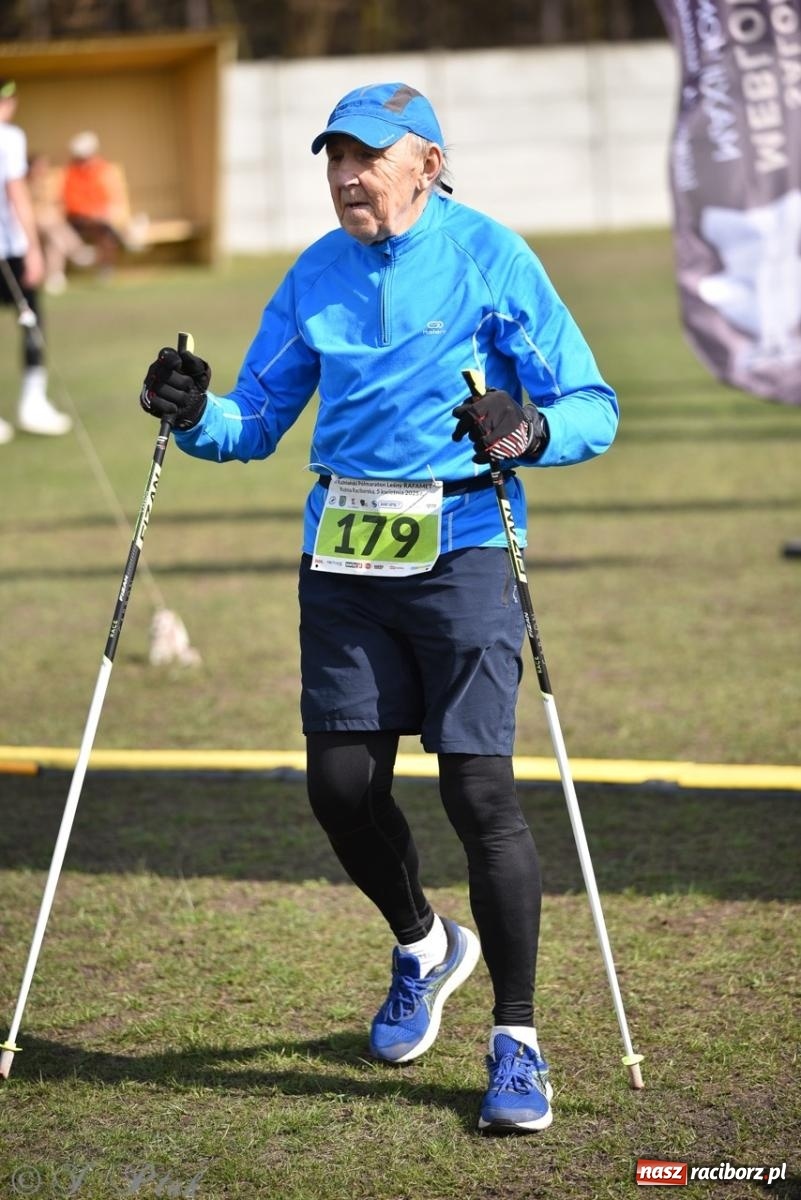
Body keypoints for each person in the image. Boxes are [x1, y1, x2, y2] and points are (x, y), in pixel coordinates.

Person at [139, 82, 619, 1135]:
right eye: (334, 158)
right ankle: (423, 947)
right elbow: (253, 421)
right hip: (345, 557)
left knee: (478, 794)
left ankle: (517, 1041)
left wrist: (530, 431)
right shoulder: (316, 272)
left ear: (427, 166)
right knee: (340, 788)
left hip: (467, 547)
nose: (347, 177)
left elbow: (592, 405)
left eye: (367, 157)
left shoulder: (491, 256)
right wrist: (193, 409)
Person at [0, 79, 72, 442]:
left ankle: (33, 404)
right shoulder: (10, 137)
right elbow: (16, 193)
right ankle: (32, 403)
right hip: (9, 250)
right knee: (31, 321)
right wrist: (32, 249)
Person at [61, 130, 131, 276]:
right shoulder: (72, 173)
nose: (85, 161)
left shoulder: (104, 170)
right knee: (103, 228)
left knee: (104, 229)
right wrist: (90, 213)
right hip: (79, 217)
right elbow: (71, 201)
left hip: (101, 217)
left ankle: (106, 267)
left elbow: (110, 197)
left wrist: (101, 212)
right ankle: (123, 240)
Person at [27, 151, 95, 295]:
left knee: (55, 240)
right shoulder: (24, 185)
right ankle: (77, 250)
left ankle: (55, 276)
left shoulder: (50, 183)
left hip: (53, 225)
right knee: (49, 222)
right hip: (33, 226)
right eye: (39, 166)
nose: (43, 169)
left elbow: (59, 206)